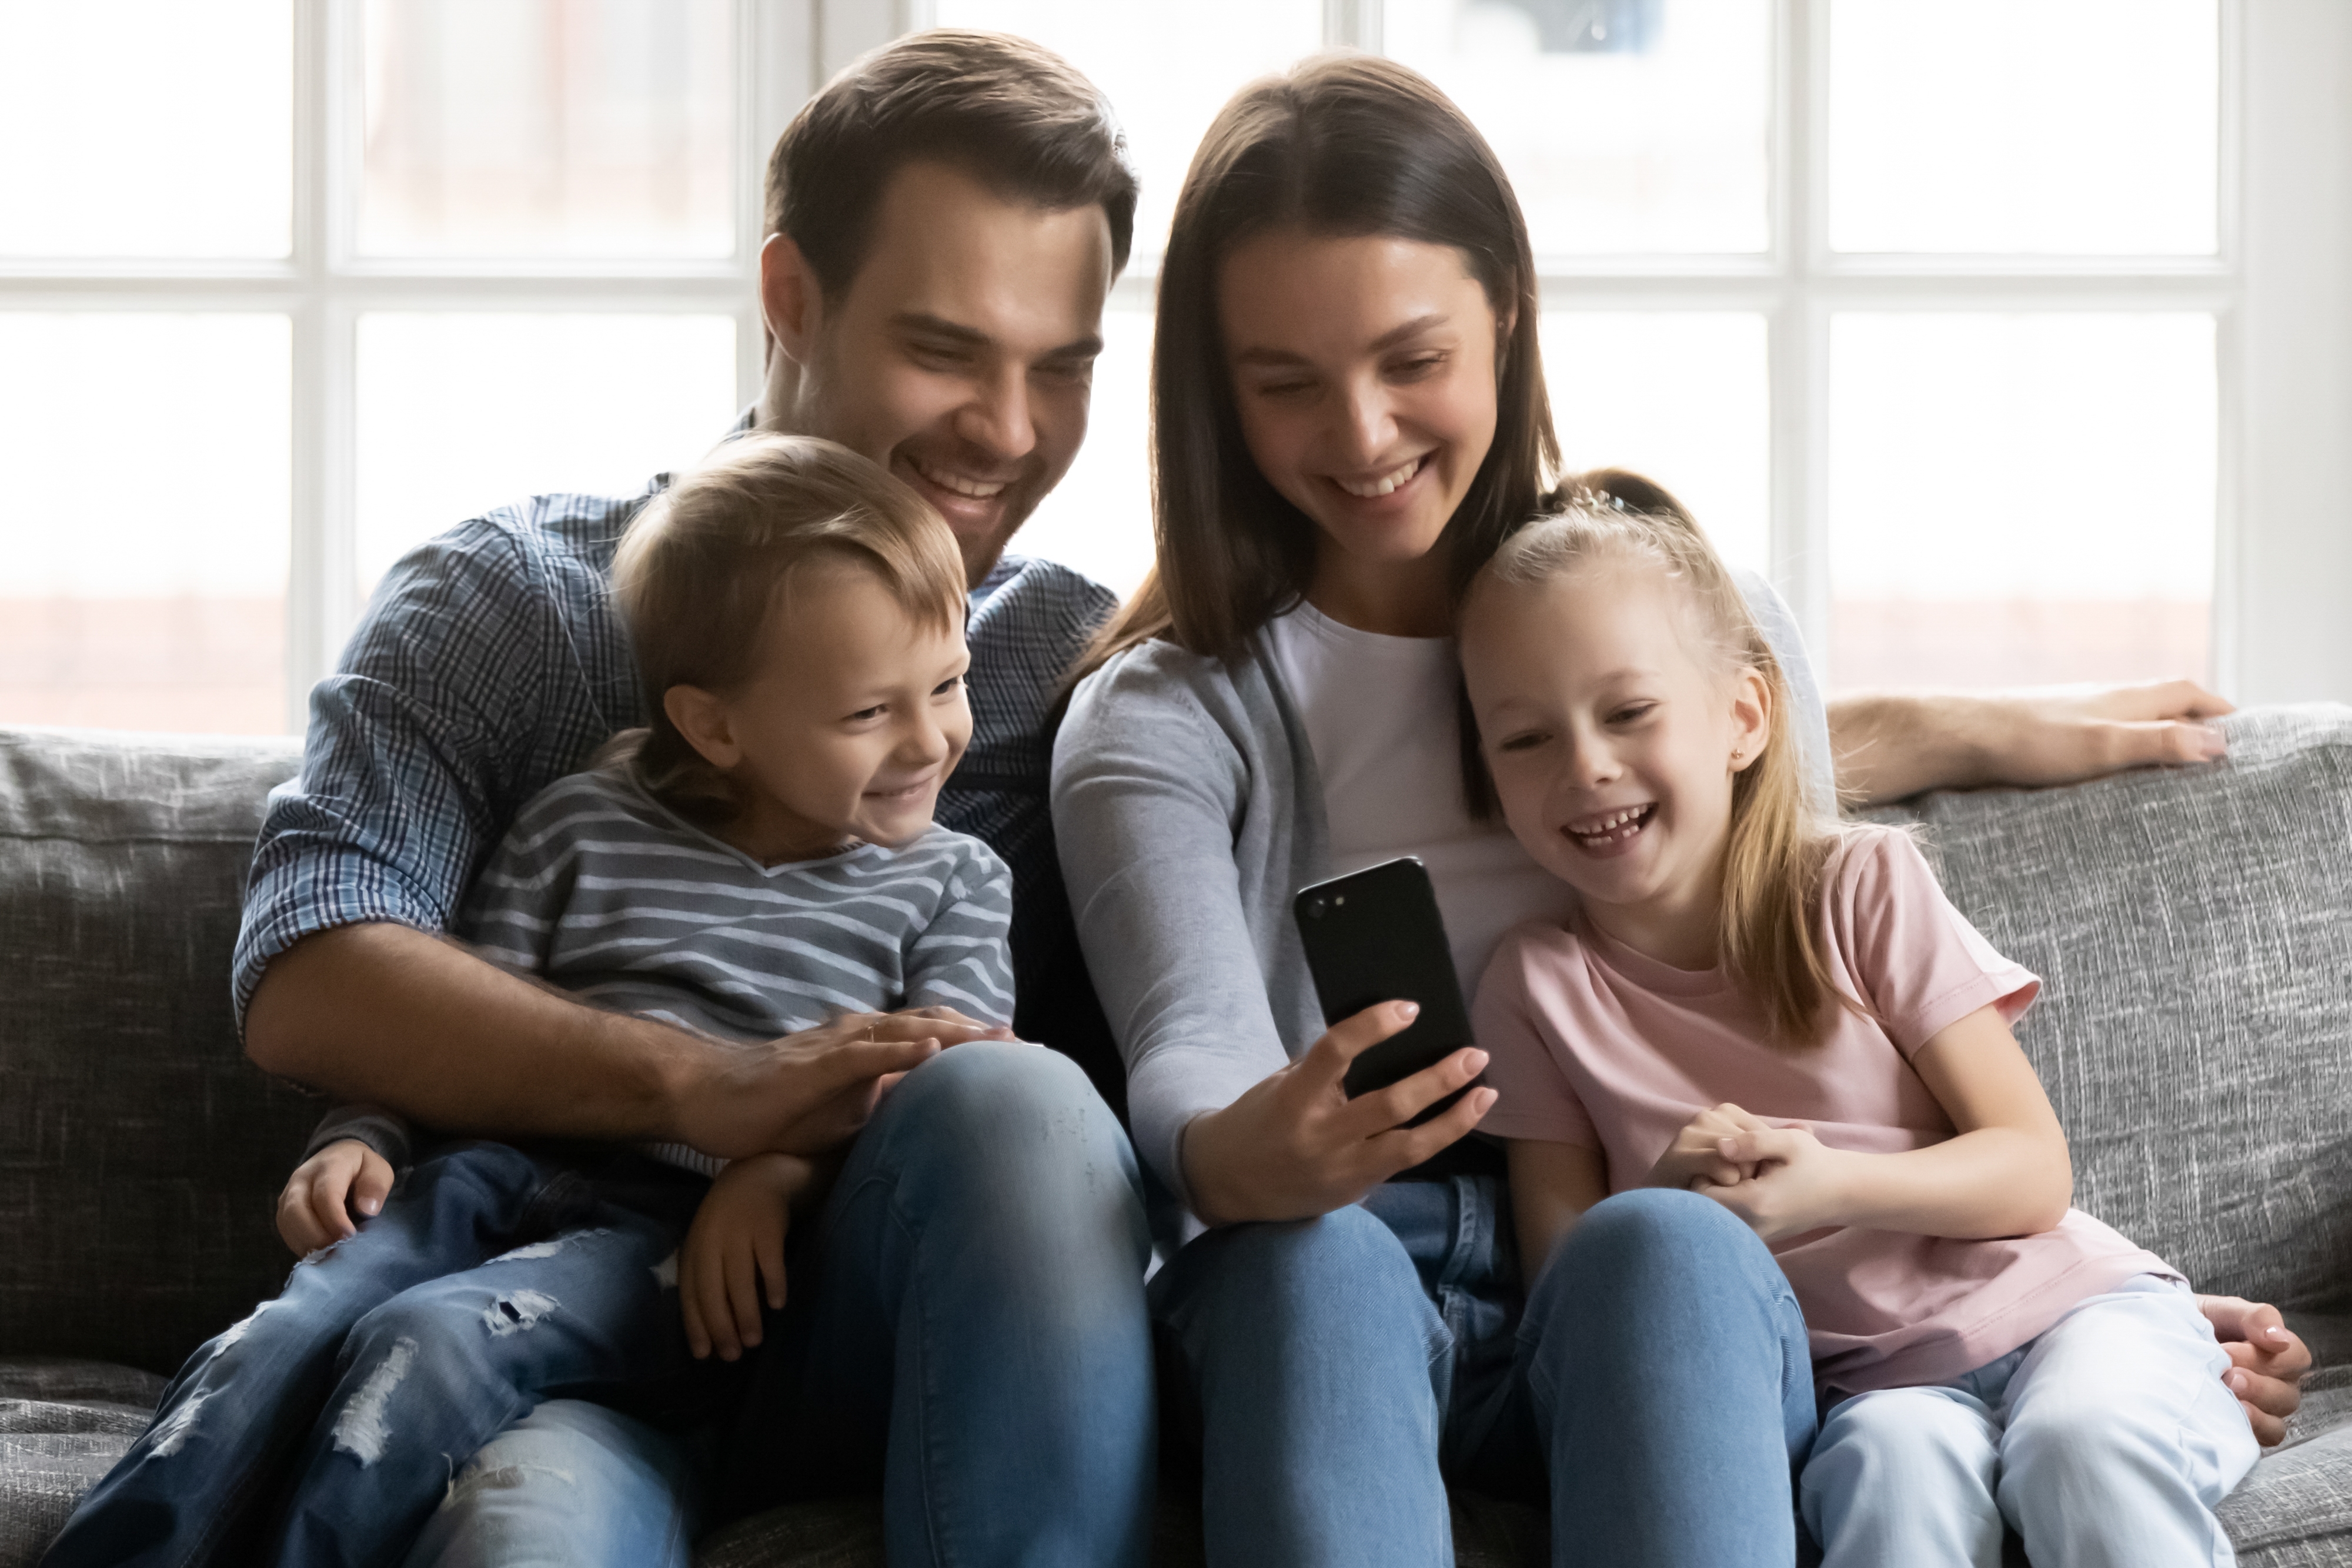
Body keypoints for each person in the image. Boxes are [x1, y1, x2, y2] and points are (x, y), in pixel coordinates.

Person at [1050, 52, 2306, 1568]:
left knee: (1664, 1243)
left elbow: (1805, 937)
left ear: (1506, 308)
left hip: (1667, 1268)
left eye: (1409, 357)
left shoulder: (1663, 611)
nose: (1363, 431)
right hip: (1350, 1256)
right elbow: (1188, 1038)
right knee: (1310, 1265)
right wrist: (1238, 1147)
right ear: (1210, 387)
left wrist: (2090, 1327)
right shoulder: (1169, 713)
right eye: (1284, 383)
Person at [232, 33, 1158, 1568]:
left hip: (892, 1344)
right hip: (571, 1328)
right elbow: (315, 961)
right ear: (791, 298)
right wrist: (696, 1088)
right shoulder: (519, 603)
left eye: (1059, 366)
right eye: (946, 349)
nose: (1008, 429)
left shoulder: (1073, 658)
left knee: (1009, 1091)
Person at [47, 435, 1041, 1567]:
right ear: (715, 724)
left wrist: (774, 1177)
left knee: (431, 1344)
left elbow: (940, 1093)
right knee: (283, 1333)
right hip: (481, 1174)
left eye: (948, 684)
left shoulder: (955, 881)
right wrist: (360, 1136)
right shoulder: (580, 823)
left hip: (662, 1236)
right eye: (870, 713)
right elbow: (457, 1032)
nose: (931, 740)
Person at [1462, 486, 2260, 1567]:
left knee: (2082, 1446)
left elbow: (2032, 1170)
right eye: (1524, 738)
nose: (1585, 766)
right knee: (1888, 1490)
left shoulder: (1857, 885)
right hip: (1877, 1391)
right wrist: (1664, 1193)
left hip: (2071, 1315)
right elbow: (1568, 1289)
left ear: (1743, 718)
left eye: (1629, 713)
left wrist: (1829, 1185)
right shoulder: (1535, 987)